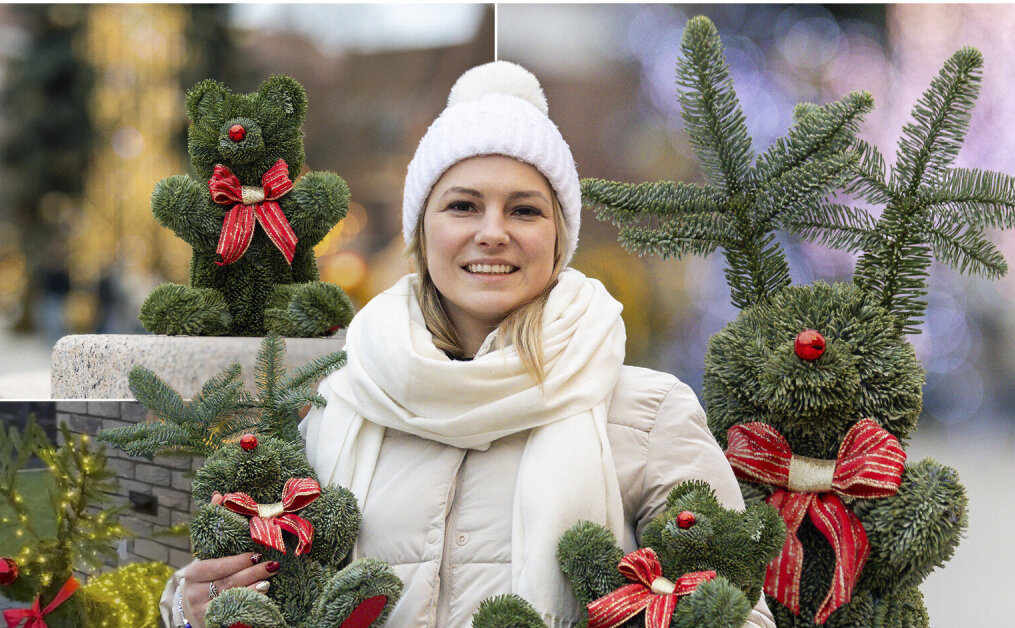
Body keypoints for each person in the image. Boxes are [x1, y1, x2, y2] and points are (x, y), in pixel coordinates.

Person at [162, 61, 774, 628]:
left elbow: (739, 613)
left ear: (558, 238)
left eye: (525, 210)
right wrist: (192, 610)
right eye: (463, 206)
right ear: (422, 231)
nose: (492, 232)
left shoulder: (647, 414)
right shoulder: (344, 402)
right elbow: (269, 592)